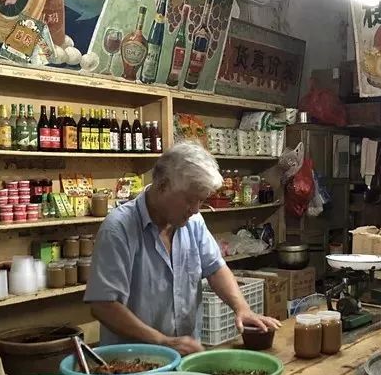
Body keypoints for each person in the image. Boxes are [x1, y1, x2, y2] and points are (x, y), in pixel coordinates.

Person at [85, 141, 280, 355]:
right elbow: (103, 305)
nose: (196, 209)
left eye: (201, 201)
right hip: (133, 363)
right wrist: (163, 341)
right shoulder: (118, 229)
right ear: (162, 186)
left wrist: (242, 308)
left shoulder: (193, 222)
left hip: (184, 357)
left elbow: (215, 268)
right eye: (190, 200)